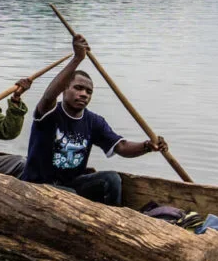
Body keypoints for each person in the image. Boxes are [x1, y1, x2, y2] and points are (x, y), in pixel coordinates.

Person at [21, 34, 166, 206]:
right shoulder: (48, 113)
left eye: (88, 92)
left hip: (71, 184)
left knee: (112, 179)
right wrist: (77, 58)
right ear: (64, 90)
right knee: (71, 196)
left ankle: (114, 220)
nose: (83, 94)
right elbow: (48, 96)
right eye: (78, 88)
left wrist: (148, 146)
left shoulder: (93, 121)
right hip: (37, 187)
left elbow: (121, 147)